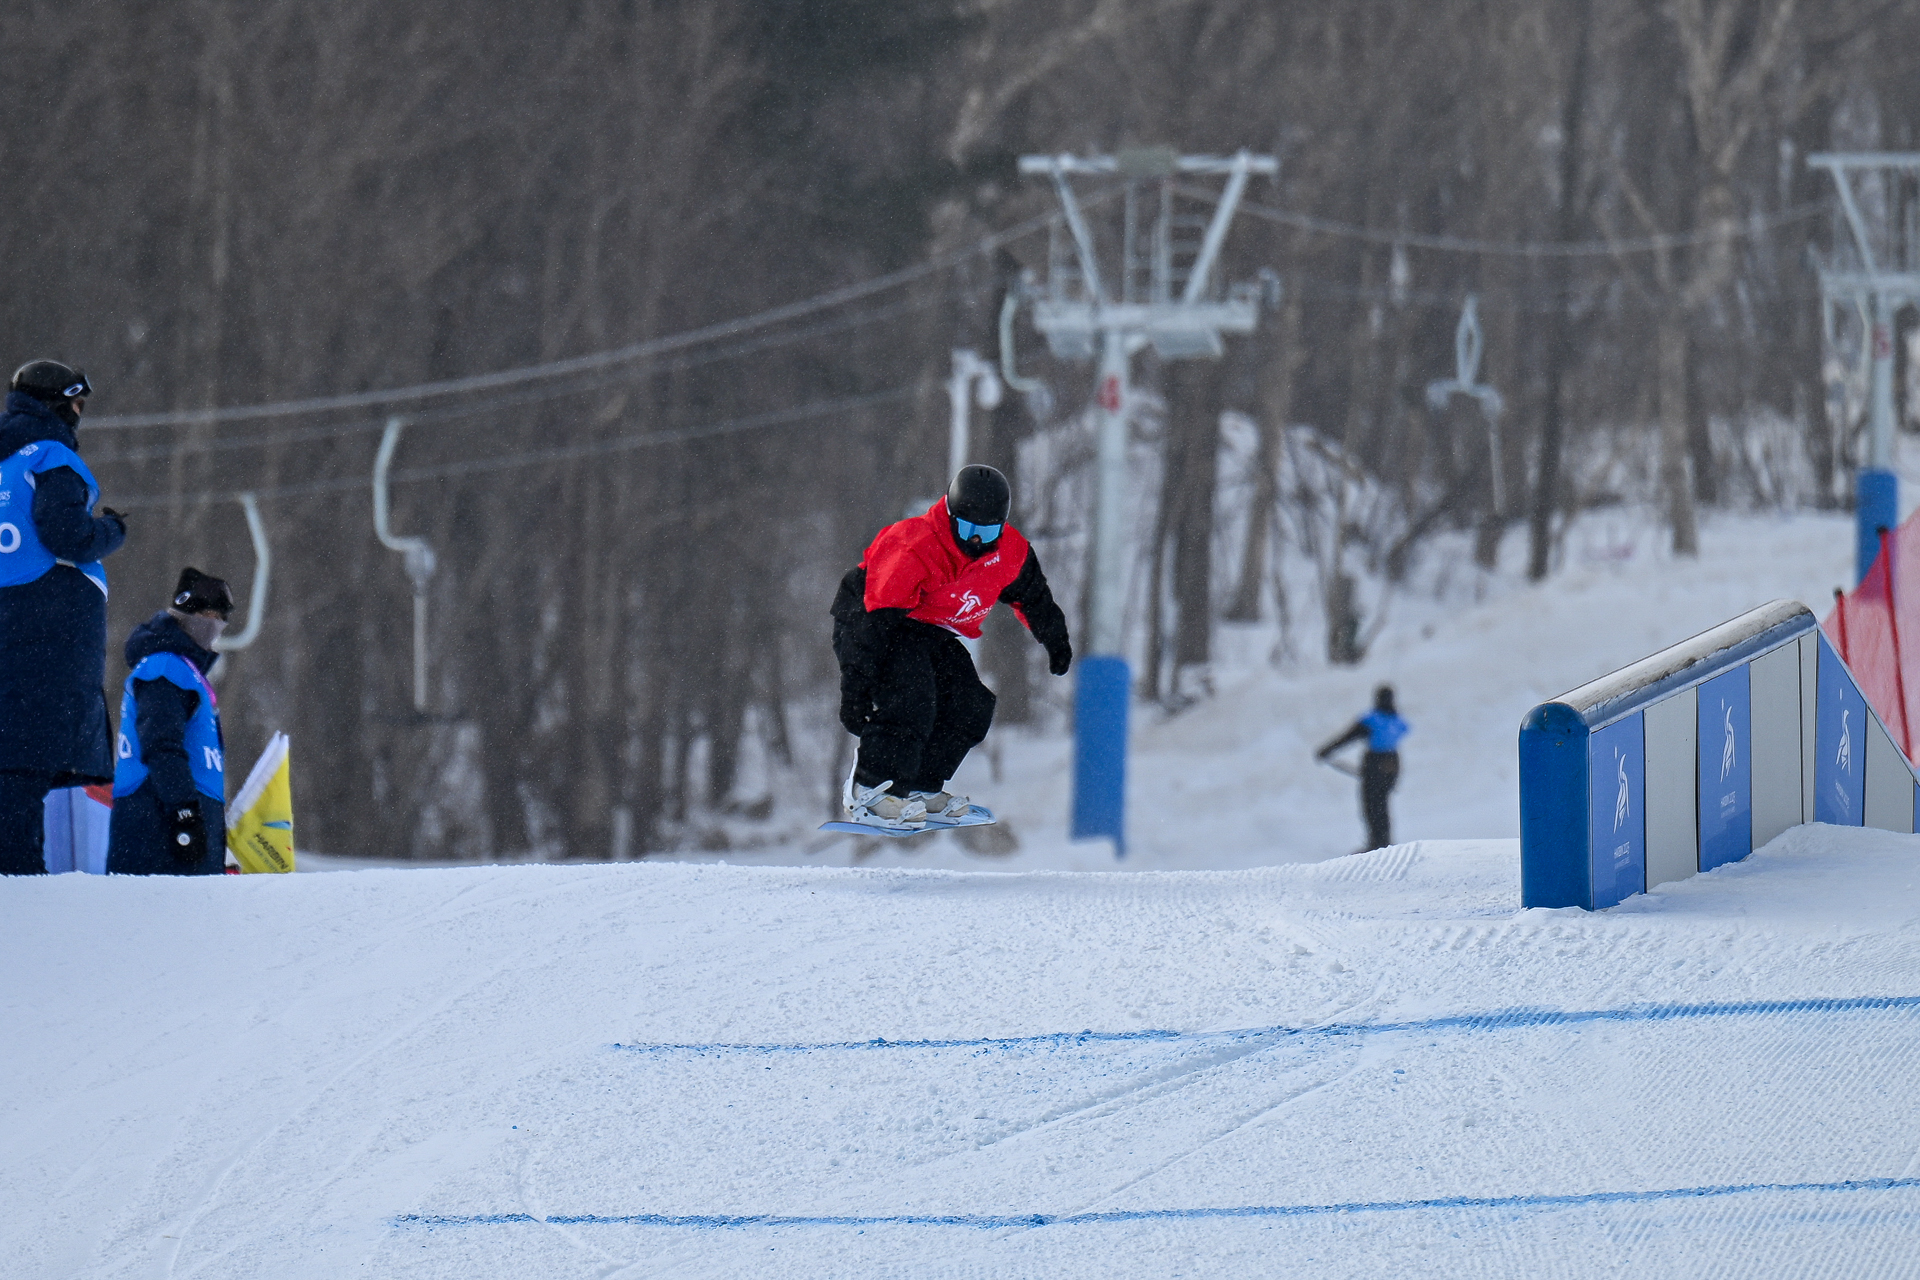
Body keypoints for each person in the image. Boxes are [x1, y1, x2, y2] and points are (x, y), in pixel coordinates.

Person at [832, 464, 1072, 828]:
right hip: (874, 617)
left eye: (987, 531)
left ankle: (918, 788)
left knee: (971, 705)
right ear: (949, 515)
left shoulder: (1009, 553)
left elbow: (1033, 596)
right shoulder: (916, 545)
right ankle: (869, 789)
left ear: (1002, 526)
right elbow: (874, 625)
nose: (976, 540)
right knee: (913, 697)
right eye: (967, 528)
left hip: (929, 628)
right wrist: (855, 688)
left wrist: (1054, 639)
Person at [0, 361, 127, 875]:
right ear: (59, 406)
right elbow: (67, 535)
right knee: (28, 773)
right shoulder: (50, 457)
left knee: (10, 771)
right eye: (77, 405)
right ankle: (26, 891)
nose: (79, 417)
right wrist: (113, 530)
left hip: (10, 633)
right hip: (47, 638)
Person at [107, 569, 232, 876]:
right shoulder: (164, 667)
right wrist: (185, 812)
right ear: (184, 613)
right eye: (205, 614)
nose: (213, 625)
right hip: (158, 823)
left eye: (219, 617)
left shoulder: (184, 671)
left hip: (173, 819)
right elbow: (161, 743)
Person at [1317, 684, 1409, 852]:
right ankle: (1385, 842)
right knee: (1383, 803)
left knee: (1371, 805)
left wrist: (1326, 750)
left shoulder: (1371, 720)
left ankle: (1376, 844)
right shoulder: (1397, 720)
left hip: (1374, 763)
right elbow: (1405, 730)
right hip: (1393, 764)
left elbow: (1347, 737)